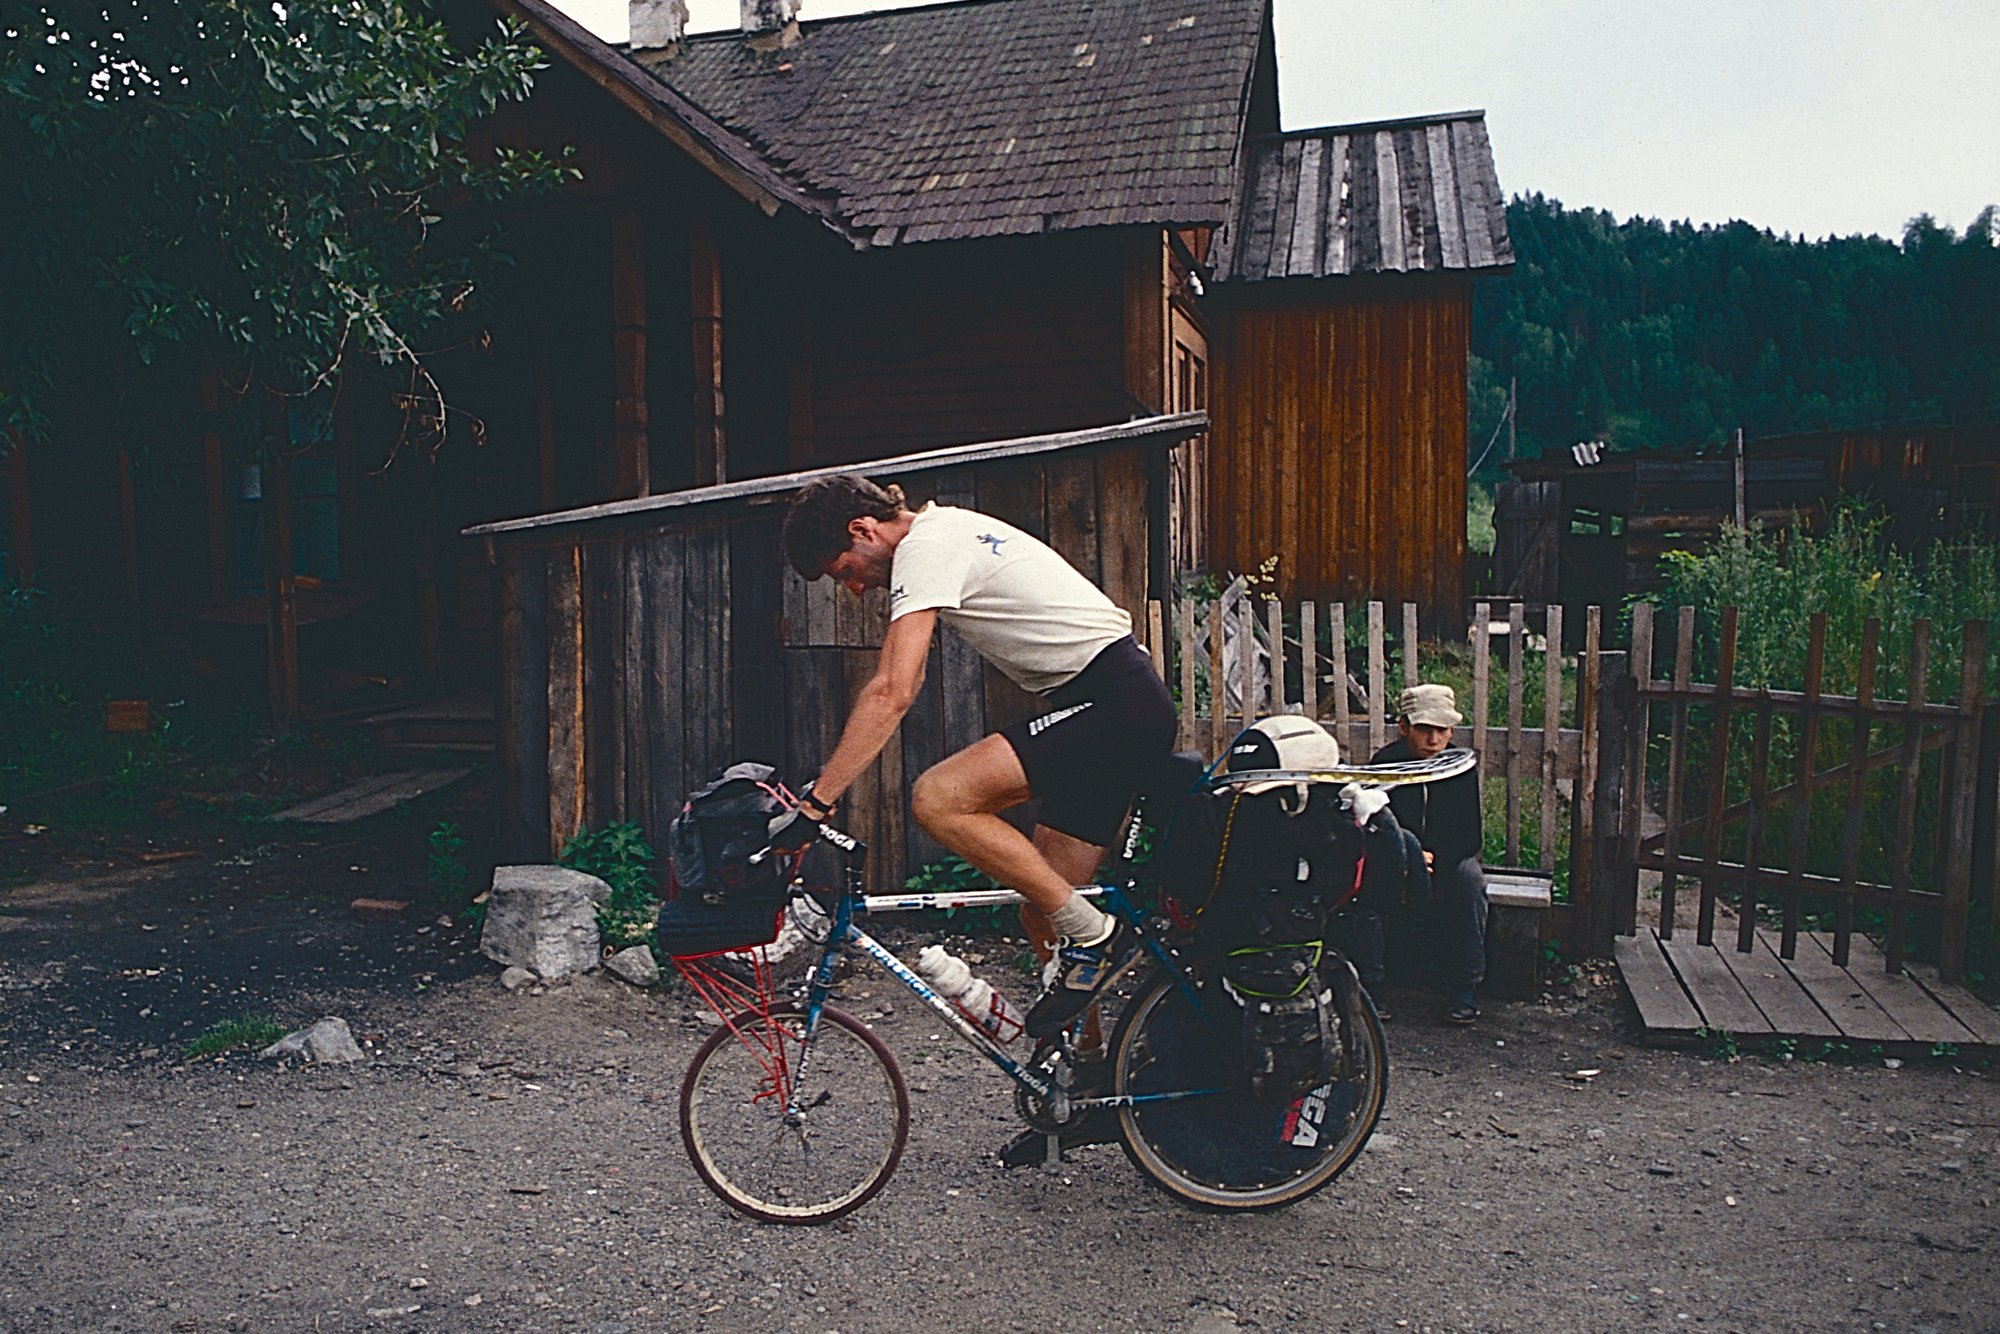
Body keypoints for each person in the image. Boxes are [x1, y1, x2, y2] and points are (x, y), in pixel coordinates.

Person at [767, 474, 1176, 1042]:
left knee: (940, 798)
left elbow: (893, 691)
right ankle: (1086, 1079)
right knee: (1043, 911)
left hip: (1113, 703)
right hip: (1116, 704)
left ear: (862, 530)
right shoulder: (946, 529)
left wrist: (816, 807)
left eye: (845, 572)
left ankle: (1097, 937)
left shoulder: (926, 546)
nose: (855, 589)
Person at [1366, 683, 1487, 1024]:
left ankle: (1466, 986)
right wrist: (1407, 855)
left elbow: (1470, 834)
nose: (1434, 740)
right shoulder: (1385, 764)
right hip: (1395, 861)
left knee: (1470, 880)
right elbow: (1374, 825)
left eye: (1442, 730)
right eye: (1424, 729)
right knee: (1363, 888)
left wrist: (1436, 859)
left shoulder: (1459, 768)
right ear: (1404, 727)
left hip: (1443, 863)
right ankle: (1372, 988)